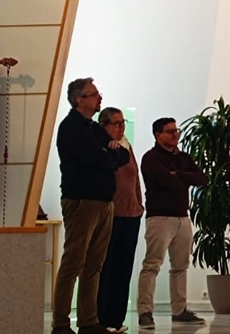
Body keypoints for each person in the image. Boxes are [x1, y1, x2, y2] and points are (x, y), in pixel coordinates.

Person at [52, 78, 131, 334]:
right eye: (94, 94)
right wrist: (109, 154)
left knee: (95, 264)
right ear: (80, 100)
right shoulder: (71, 128)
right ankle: (61, 323)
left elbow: (123, 155)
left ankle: (88, 321)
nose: (100, 98)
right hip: (82, 201)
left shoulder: (92, 127)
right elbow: (100, 159)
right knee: (73, 263)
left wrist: (111, 153)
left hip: (104, 201)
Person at [137, 118, 207, 329]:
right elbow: (166, 181)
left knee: (180, 266)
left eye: (176, 130)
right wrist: (184, 179)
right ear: (158, 135)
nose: (175, 134)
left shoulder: (184, 157)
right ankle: (145, 312)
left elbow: (202, 178)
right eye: (169, 131)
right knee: (152, 265)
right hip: (160, 218)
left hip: (182, 218)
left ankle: (179, 310)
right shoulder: (151, 158)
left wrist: (180, 175)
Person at [96, 107, 144, 334]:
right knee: (107, 267)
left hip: (131, 214)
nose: (121, 127)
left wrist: (139, 205)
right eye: (116, 123)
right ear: (103, 126)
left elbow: (135, 179)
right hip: (111, 214)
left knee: (124, 268)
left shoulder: (126, 145)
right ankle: (102, 318)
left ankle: (117, 318)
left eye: (123, 122)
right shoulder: (101, 147)